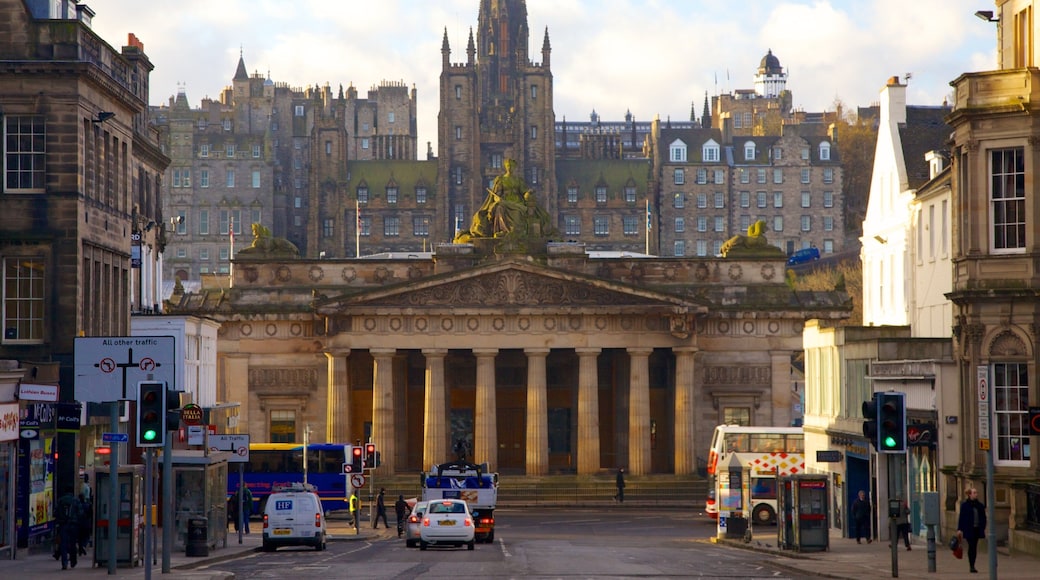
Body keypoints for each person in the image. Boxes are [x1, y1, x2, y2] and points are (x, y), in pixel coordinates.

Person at [957, 487, 987, 574]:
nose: (976, 494)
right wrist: (959, 529)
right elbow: (961, 518)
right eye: (974, 493)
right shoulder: (965, 505)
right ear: (969, 494)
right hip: (969, 529)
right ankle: (972, 565)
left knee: (974, 546)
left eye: (976, 493)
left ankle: (973, 564)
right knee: (972, 546)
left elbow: (983, 517)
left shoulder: (980, 506)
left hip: (977, 529)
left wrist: (983, 526)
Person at [55, 487, 80, 570]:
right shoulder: (75, 500)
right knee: (72, 543)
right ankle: (73, 561)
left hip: (63, 525)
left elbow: (56, 512)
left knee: (63, 544)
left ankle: (64, 563)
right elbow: (80, 513)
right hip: (73, 525)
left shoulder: (60, 500)